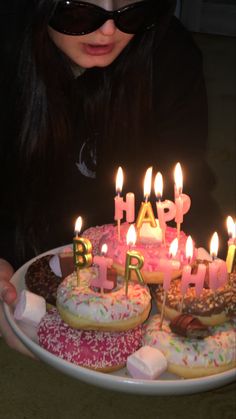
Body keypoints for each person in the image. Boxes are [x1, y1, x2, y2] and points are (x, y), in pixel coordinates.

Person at [0, 0, 224, 355]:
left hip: (140, 264)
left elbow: (187, 188)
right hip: (22, 243)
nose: (108, 30)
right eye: (78, 11)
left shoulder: (169, 54)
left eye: (129, 11)